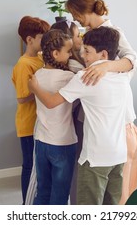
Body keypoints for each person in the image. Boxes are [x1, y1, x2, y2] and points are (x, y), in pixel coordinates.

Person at [29, 26, 129, 205]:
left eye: (87, 51)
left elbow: (51, 102)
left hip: (95, 157)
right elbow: (132, 60)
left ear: (103, 55)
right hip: (119, 154)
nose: (82, 56)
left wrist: (35, 88)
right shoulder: (122, 75)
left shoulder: (86, 77)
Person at [66, 0, 137, 204]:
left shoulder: (113, 32)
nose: (75, 20)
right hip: (95, 113)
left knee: (110, 188)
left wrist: (107, 66)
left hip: (113, 119)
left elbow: (134, 61)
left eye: (75, 14)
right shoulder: (88, 35)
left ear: (82, 10)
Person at [32, 29, 77, 205]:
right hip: (62, 143)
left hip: (41, 141)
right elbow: (82, 68)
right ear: (56, 53)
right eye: (68, 51)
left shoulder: (38, 75)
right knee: (59, 195)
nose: (71, 55)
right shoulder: (68, 77)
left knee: (42, 191)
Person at [11, 15, 50, 204]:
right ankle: (26, 204)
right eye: (43, 38)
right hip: (28, 124)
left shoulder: (42, 58)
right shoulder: (23, 65)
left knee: (39, 167)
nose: (46, 41)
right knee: (29, 165)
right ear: (29, 40)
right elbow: (21, 97)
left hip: (40, 122)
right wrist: (42, 90)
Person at [50, 20, 85, 205]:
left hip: (73, 122)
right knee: (76, 169)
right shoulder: (75, 67)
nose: (80, 38)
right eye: (77, 35)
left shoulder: (73, 63)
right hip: (78, 123)